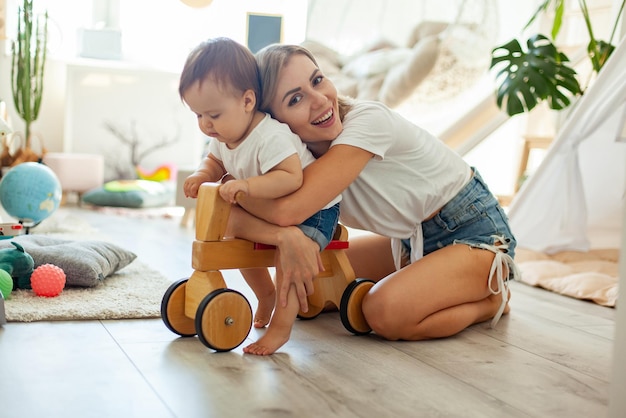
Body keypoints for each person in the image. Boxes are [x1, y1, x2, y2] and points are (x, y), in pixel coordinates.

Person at [226, 43, 519, 355]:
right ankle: (430, 281)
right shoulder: (289, 161)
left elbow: (287, 212)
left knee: (383, 313)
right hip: (410, 239)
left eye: (317, 80)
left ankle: (490, 302)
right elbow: (230, 216)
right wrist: (279, 233)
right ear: (273, 121)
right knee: (311, 290)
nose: (320, 99)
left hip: (474, 233)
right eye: (296, 99)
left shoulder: (367, 123)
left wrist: (242, 194)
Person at [178, 38, 341, 354]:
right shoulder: (224, 132)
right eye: (198, 116)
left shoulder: (270, 136)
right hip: (270, 205)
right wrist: (202, 176)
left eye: (212, 114)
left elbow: (290, 177)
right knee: (232, 236)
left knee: (288, 259)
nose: (205, 125)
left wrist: (249, 187)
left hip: (314, 208)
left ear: (247, 101)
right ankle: (264, 294)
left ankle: (281, 329)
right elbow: (214, 160)